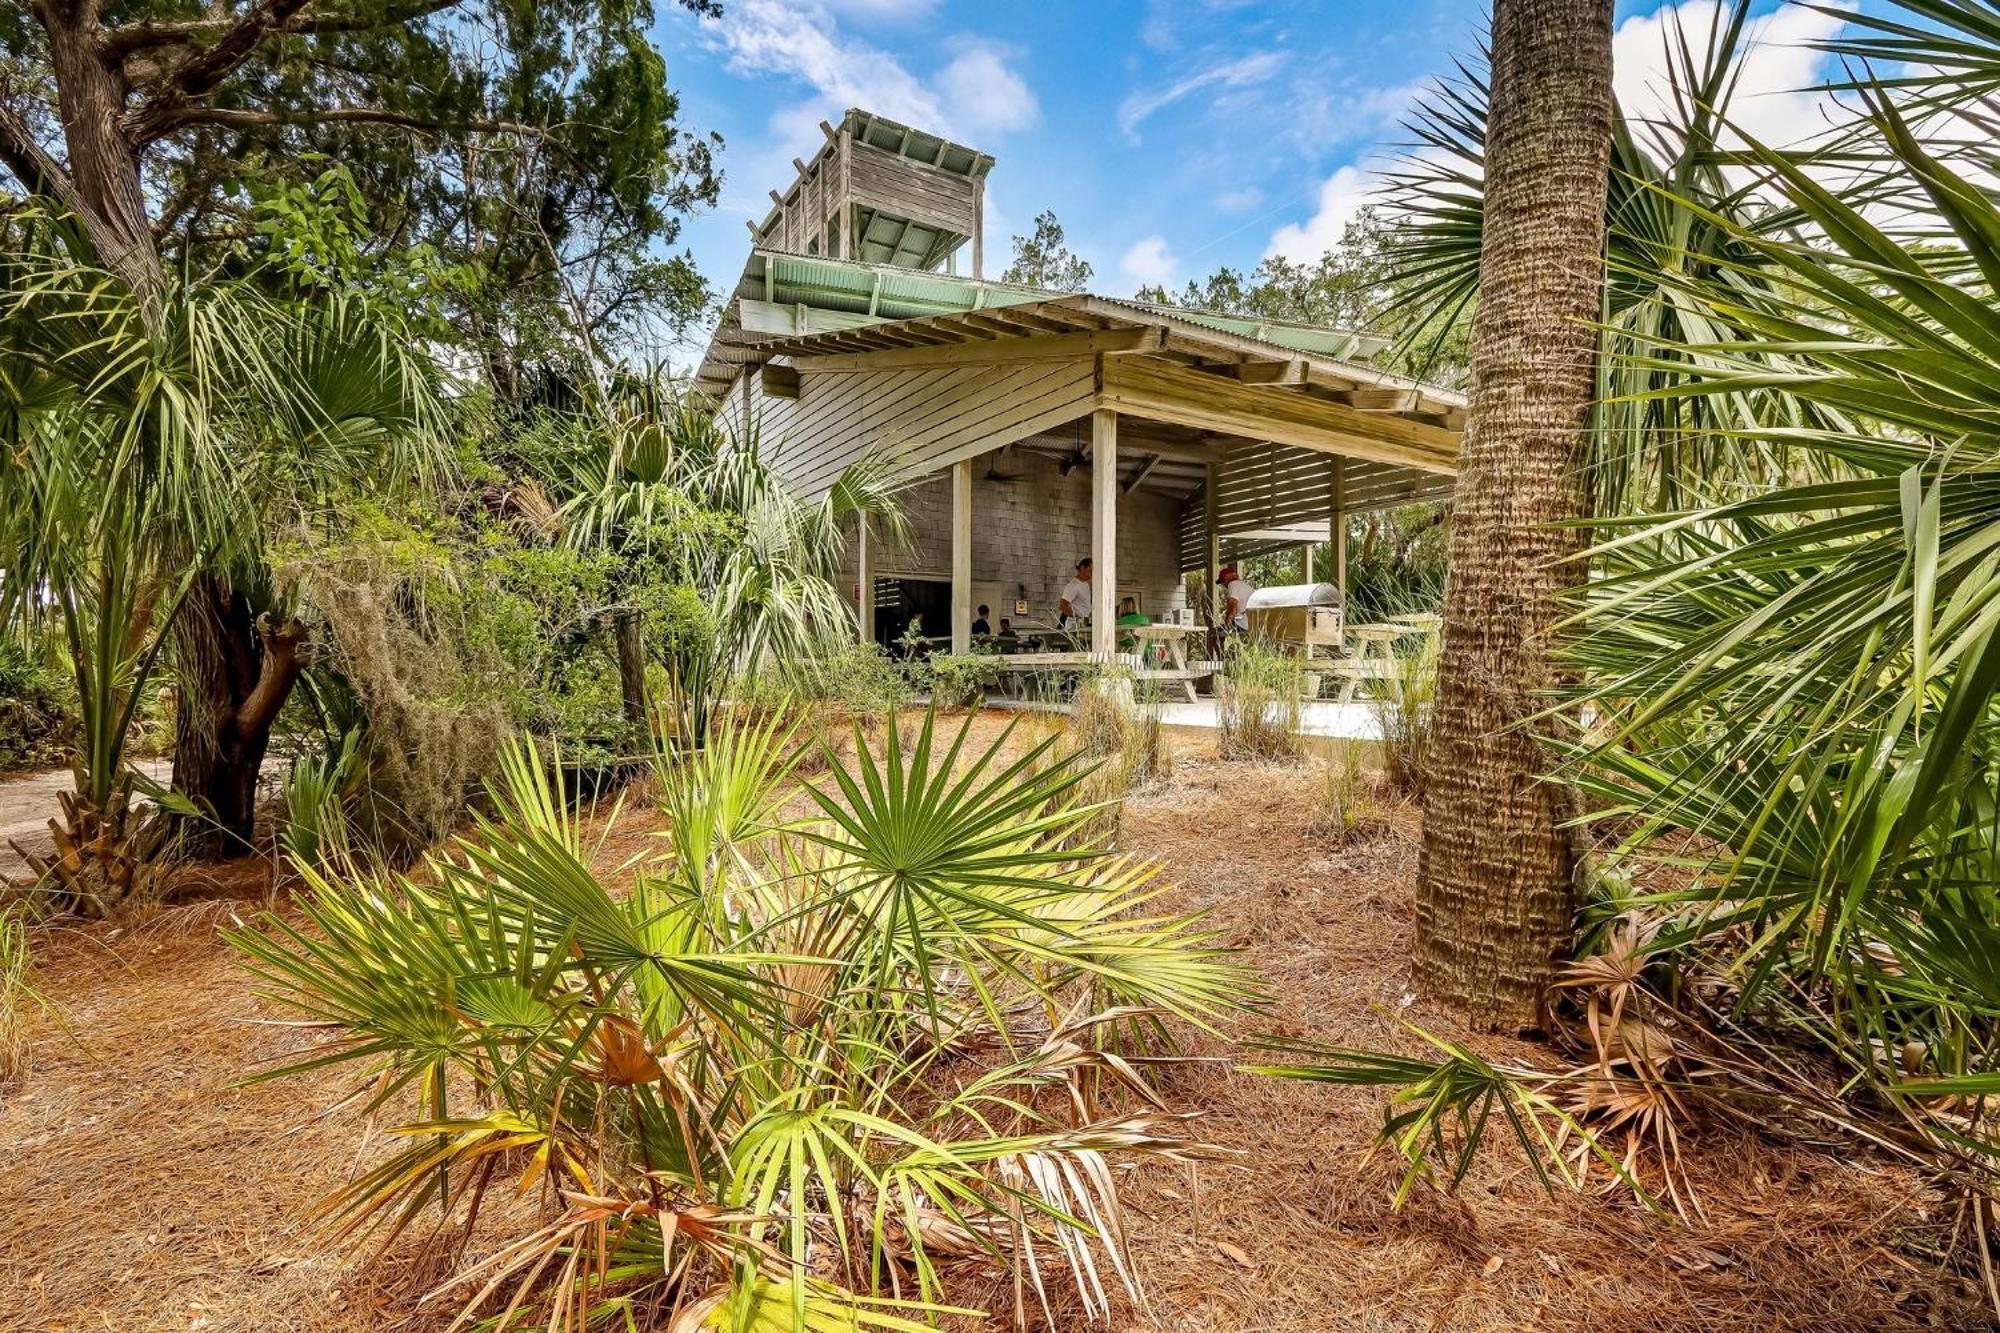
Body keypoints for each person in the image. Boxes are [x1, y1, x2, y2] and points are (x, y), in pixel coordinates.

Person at [1218, 565, 1255, 633]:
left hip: (1244, 624)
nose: (1223, 585)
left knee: (1217, 632)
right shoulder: (1244, 585)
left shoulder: (1233, 584)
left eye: (1223, 582)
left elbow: (1232, 608)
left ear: (1226, 578)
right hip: (1252, 623)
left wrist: (1226, 624)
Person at [1058, 557, 1092, 625]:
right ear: (1082, 568)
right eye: (1090, 570)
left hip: (1084, 624)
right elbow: (1063, 606)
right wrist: (1078, 618)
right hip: (1073, 626)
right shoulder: (1073, 585)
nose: (1091, 573)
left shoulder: (1086, 584)